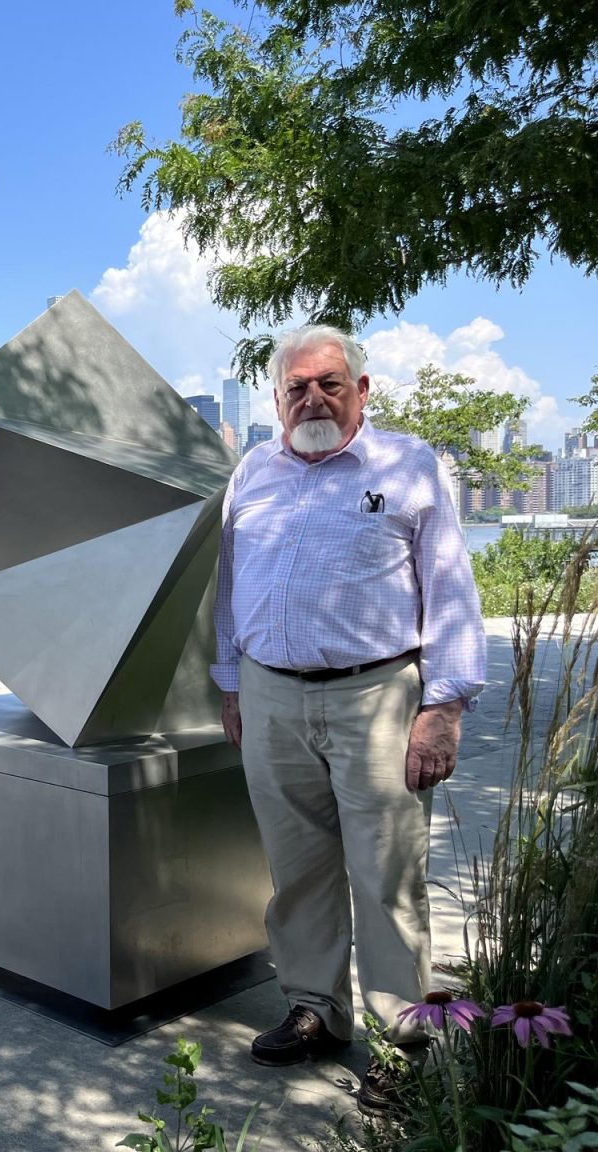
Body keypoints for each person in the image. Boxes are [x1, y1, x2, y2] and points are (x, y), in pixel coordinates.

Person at [210, 324, 485, 1109]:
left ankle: (403, 1045)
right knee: (296, 872)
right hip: (270, 694)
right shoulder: (253, 473)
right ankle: (315, 1010)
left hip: (378, 696)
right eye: (296, 387)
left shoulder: (409, 465)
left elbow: (450, 588)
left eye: (330, 383)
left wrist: (445, 706)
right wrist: (232, 682)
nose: (312, 398)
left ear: (362, 390)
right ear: (275, 399)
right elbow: (230, 586)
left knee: (387, 875)